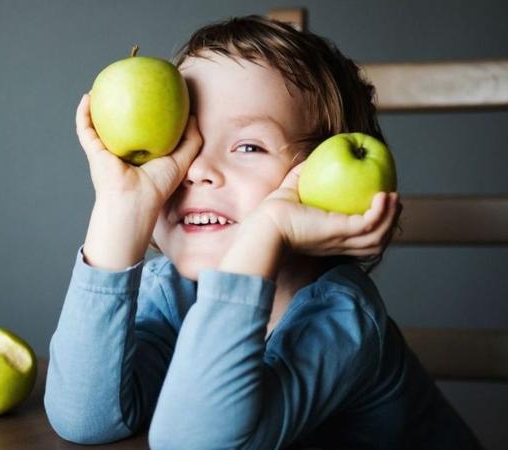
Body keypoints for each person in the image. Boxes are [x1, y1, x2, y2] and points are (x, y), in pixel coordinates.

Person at [44, 15, 483, 450]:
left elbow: (192, 444)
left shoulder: (343, 319)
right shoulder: (170, 292)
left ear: (317, 176)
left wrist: (265, 232)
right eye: (181, 141)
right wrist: (121, 206)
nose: (196, 170)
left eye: (248, 147)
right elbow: (85, 417)